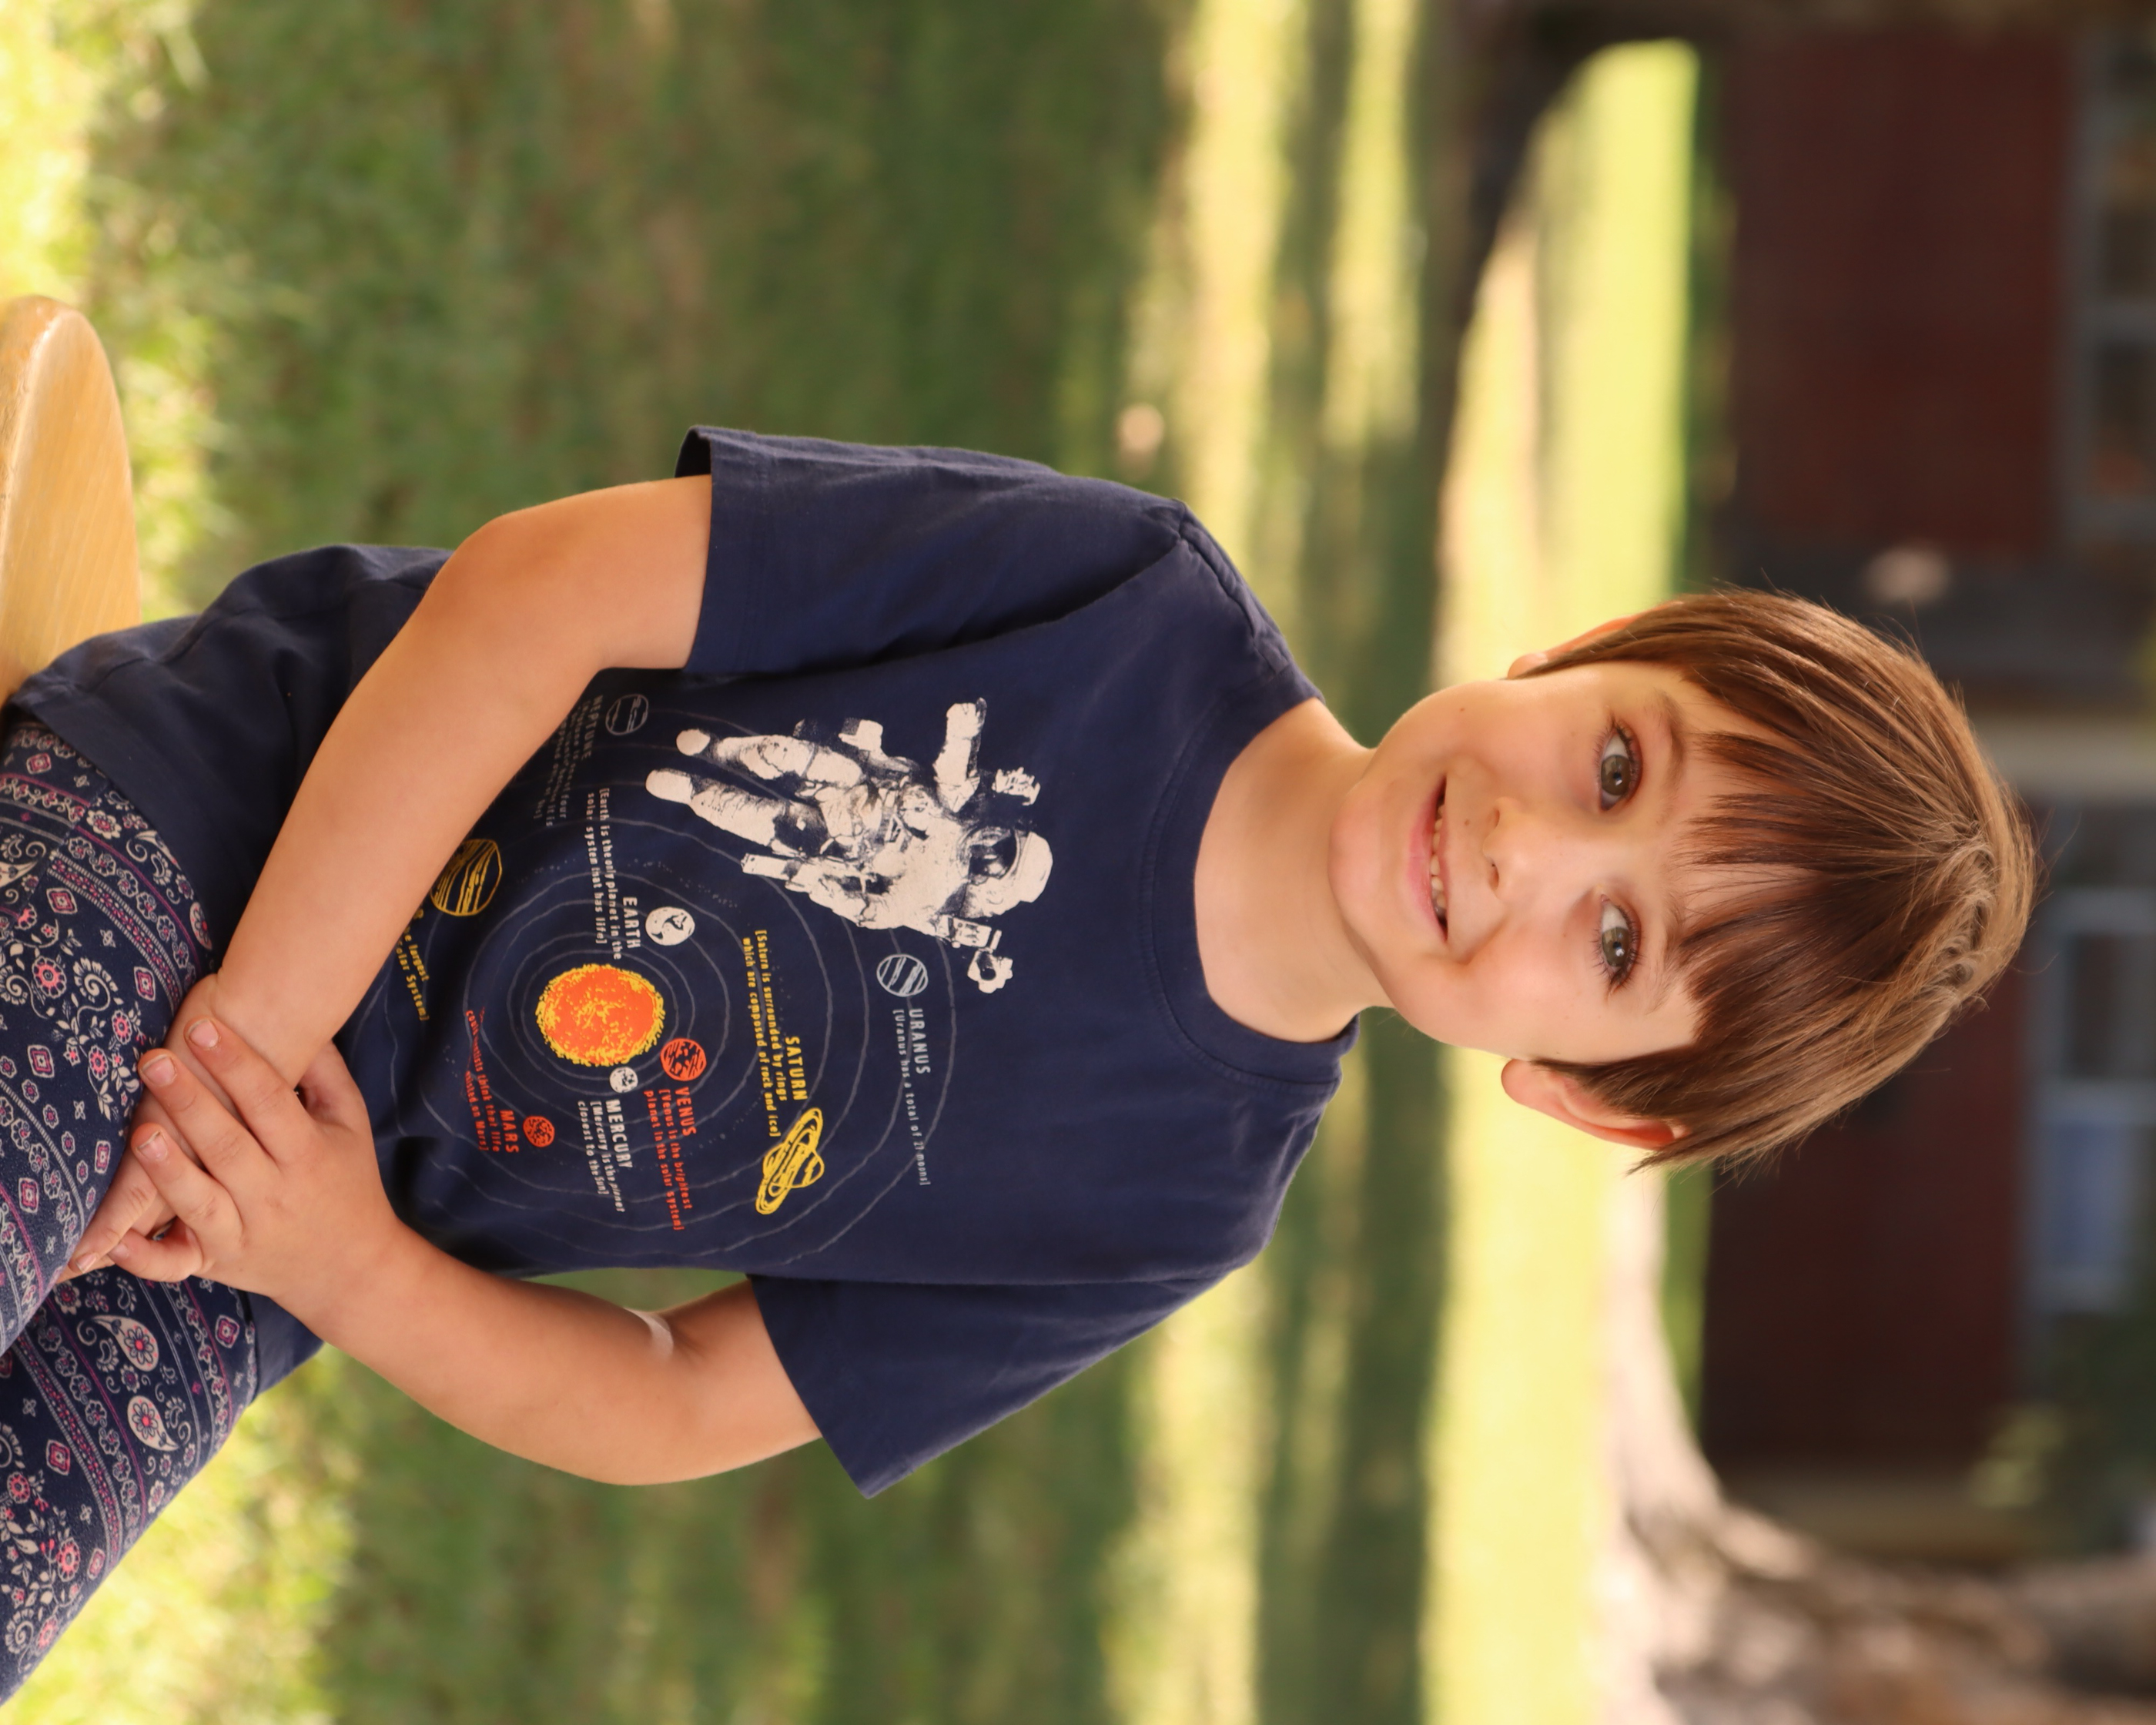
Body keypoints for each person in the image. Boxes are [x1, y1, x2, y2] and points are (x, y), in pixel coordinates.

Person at [0, 430, 2030, 1686]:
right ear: (1581, 655)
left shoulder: (1170, 1199)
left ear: (1586, 1093)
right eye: (1618, 768)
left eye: (1617, 944)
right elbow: (547, 588)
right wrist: (246, 1046)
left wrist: (335, 1255)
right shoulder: (1128, 600)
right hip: (202, 838)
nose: (1526, 852)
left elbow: (678, 1400)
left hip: (274, 1231)